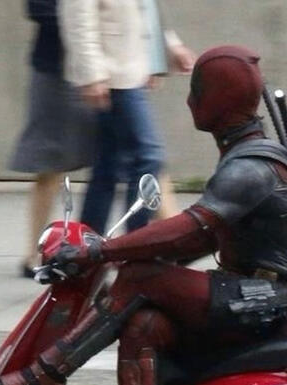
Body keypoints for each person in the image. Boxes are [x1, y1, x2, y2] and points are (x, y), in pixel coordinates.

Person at [0, 45, 287, 385]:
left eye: (198, 91)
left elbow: (190, 228)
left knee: (139, 279)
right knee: (144, 324)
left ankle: (47, 376)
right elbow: (197, 242)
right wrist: (129, 257)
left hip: (264, 300)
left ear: (218, 99)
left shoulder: (249, 168)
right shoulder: (247, 156)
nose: (190, 101)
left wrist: (103, 250)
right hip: (255, 297)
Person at [58, 0, 194, 234]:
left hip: (127, 70)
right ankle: (136, 240)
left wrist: (166, 51)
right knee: (148, 157)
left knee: (108, 164)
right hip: (112, 74)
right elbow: (78, 20)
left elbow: (146, 8)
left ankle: (88, 243)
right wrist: (92, 75)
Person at [12, 0, 96, 277]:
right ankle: (34, 253)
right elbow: (41, 9)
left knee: (142, 154)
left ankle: (174, 240)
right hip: (58, 68)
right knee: (50, 160)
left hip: (112, 66)